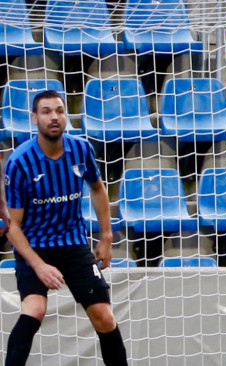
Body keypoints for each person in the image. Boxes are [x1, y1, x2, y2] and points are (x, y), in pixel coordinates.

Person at [4, 90, 128, 366]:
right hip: (34, 245)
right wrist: (39, 266)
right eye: (46, 111)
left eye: (60, 110)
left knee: (105, 317)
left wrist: (106, 236)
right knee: (34, 309)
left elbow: (98, 187)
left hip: (73, 244)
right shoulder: (20, 162)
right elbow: (12, 226)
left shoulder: (81, 149)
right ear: (35, 118)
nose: (54, 117)